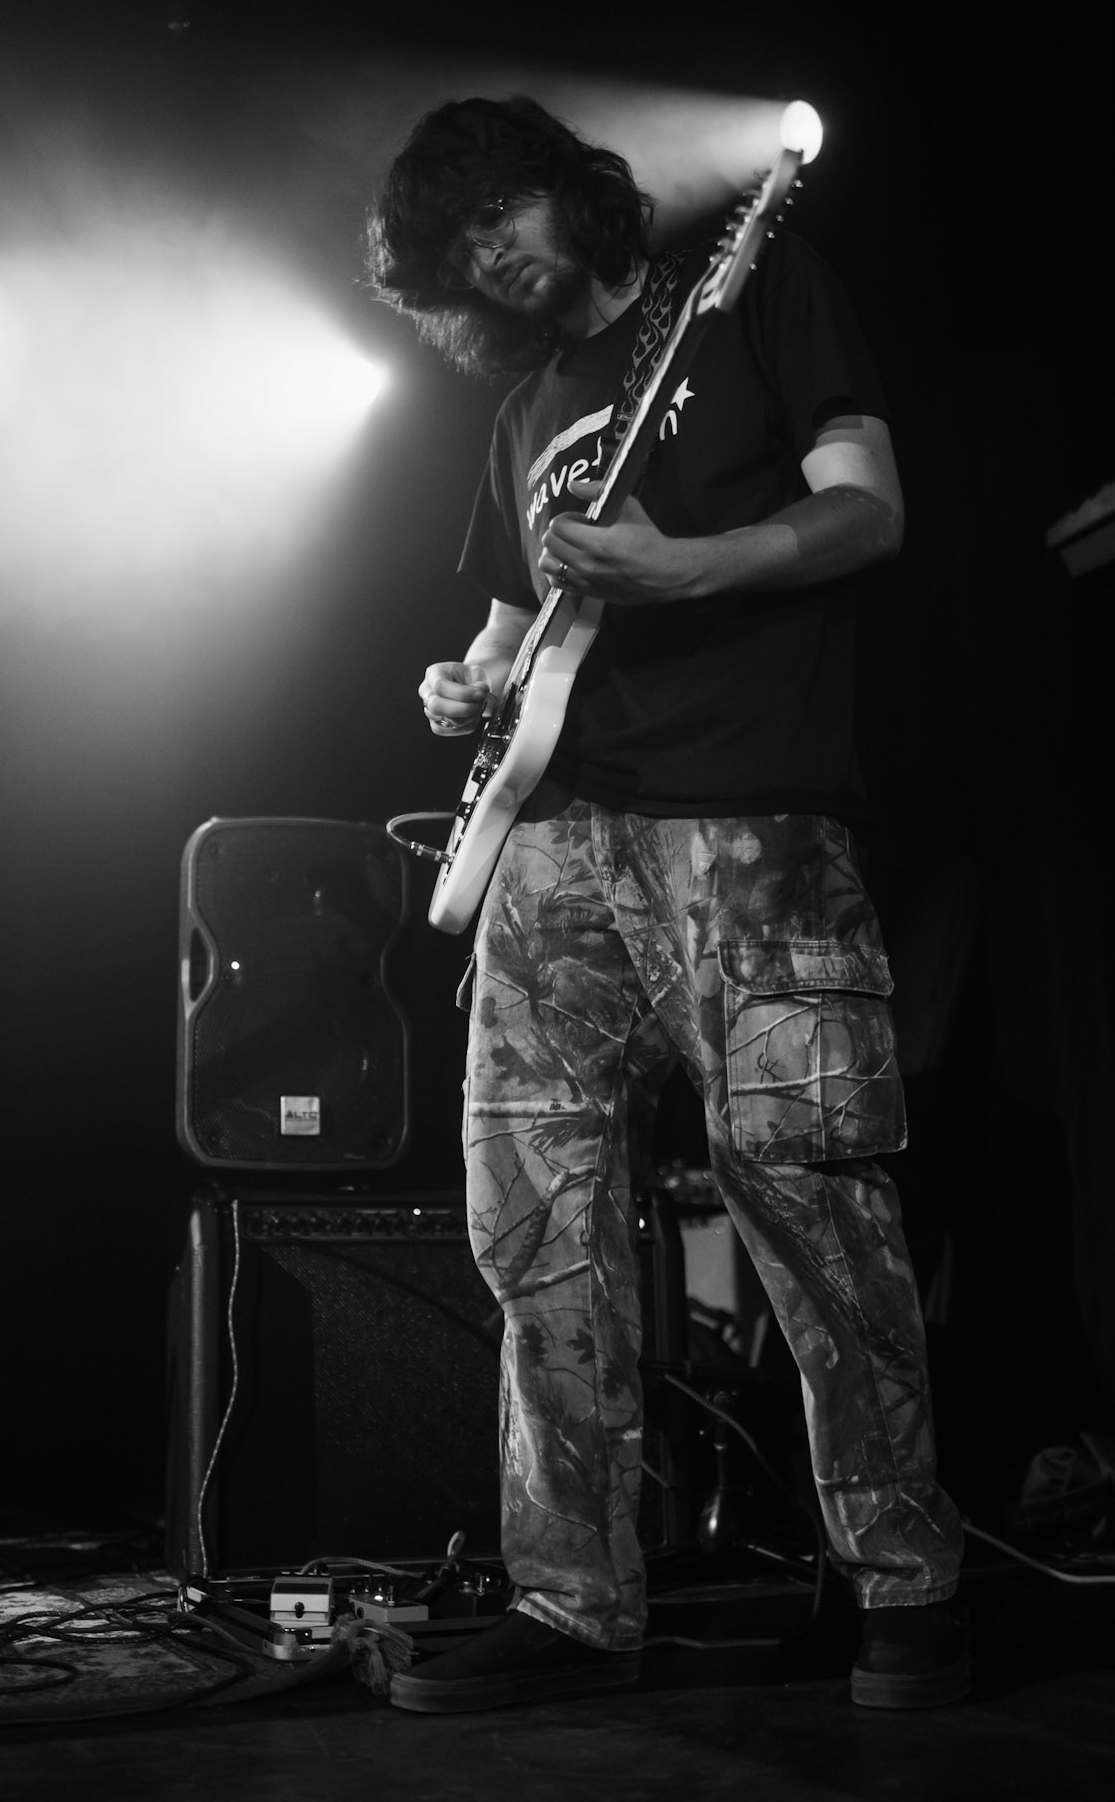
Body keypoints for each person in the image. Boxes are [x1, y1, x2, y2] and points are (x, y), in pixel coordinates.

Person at [365, 95, 967, 1715]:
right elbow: (511, 632)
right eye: (460, 245)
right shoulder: (523, 414)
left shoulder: (747, 291)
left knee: (811, 1204)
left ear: (570, 191)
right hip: (555, 845)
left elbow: (867, 506)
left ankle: (906, 1586)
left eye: (501, 211)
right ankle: (571, 1601)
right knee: (531, 1222)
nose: (492, 253)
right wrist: (461, 683)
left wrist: (687, 568)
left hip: (751, 826)